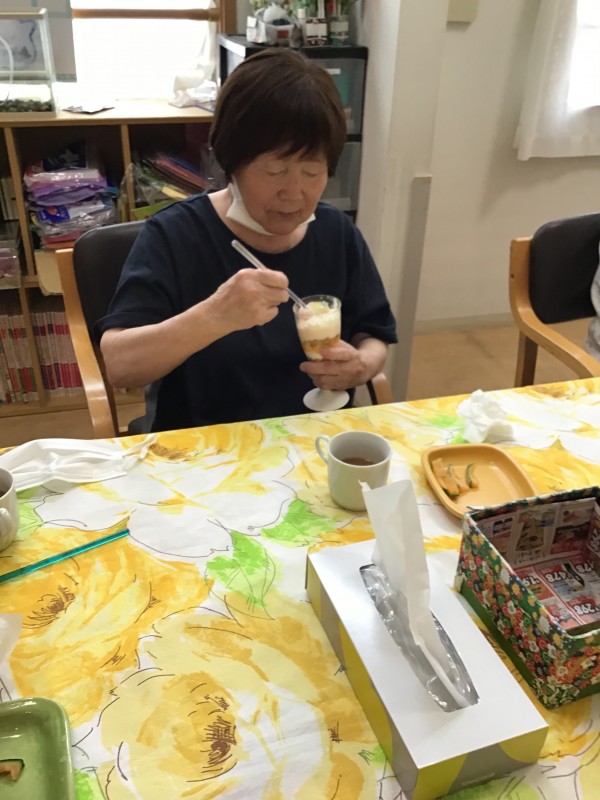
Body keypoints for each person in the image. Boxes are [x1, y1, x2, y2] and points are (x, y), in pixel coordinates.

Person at [97, 48, 397, 432]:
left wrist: (362, 366)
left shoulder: (337, 234)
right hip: (205, 448)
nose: (294, 194)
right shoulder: (175, 235)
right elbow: (120, 366)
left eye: (312, 172)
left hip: (314, 440)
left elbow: (374, 334)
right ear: (232, 161)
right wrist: (215, 315)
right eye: (274, 171)